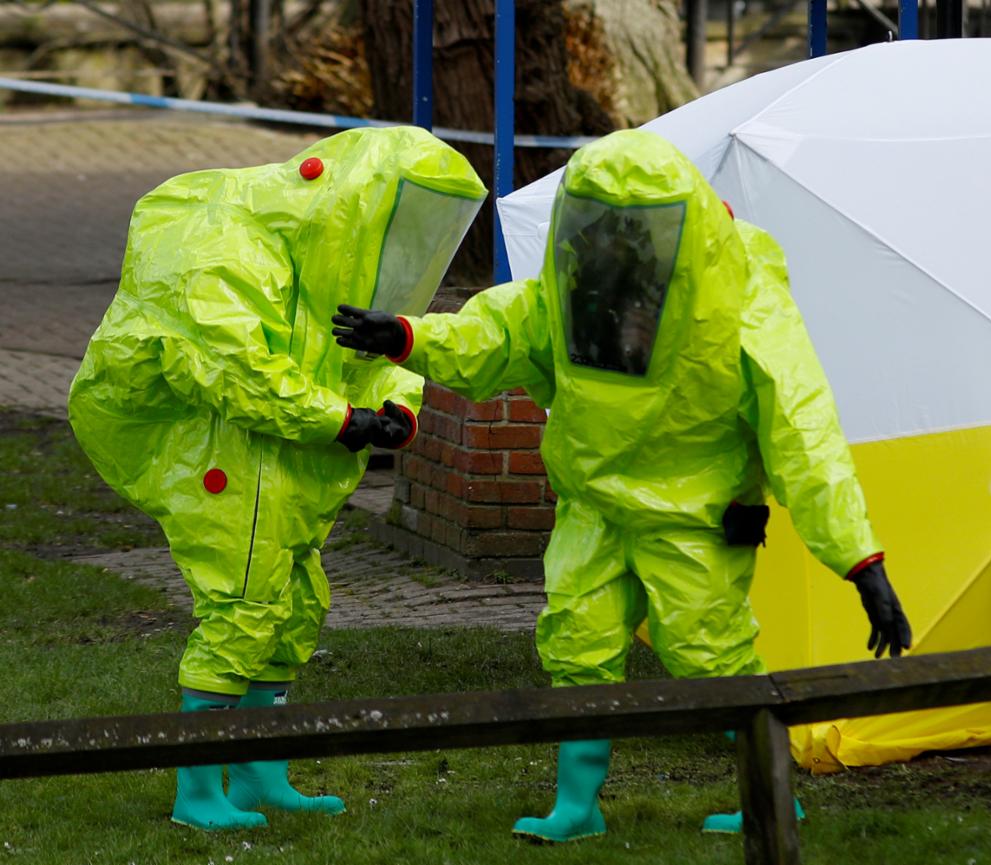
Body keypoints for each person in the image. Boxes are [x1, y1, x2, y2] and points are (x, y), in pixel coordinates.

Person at [331, 129, 911, 842]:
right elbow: (507, 327)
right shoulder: (584, 279)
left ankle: (774, 799)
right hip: (595, 504)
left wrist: (860, 559)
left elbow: (802, 427)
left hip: (694, 514)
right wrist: (410, 339)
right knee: (579, 644)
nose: (618, 238)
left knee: (711, 655)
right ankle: (576, 807)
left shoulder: (743, 301)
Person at [68, 126, 486, 831]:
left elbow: (373, 344)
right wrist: (345, 421)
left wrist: (394, 407)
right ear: (359, 198)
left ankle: (262, 772)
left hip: (291, 456)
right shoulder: (222, 246)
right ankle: (199, 792)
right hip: (226, 452)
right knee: (241, 606)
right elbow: (239, 374)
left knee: (293, 606)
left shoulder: (333, 252)